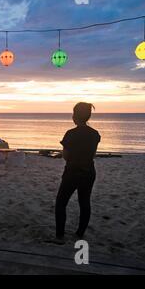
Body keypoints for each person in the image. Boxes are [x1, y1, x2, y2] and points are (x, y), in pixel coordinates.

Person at [54, 102, 101, 244]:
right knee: (84, 202)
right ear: (88, 116)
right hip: (88, 172)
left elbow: (66, 156)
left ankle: (60, 236)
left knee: (61, 203)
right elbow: (92, 155)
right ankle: (80, 234)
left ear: (75, 115)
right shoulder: (94, 134)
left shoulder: (71, 133)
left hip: (72, 172)